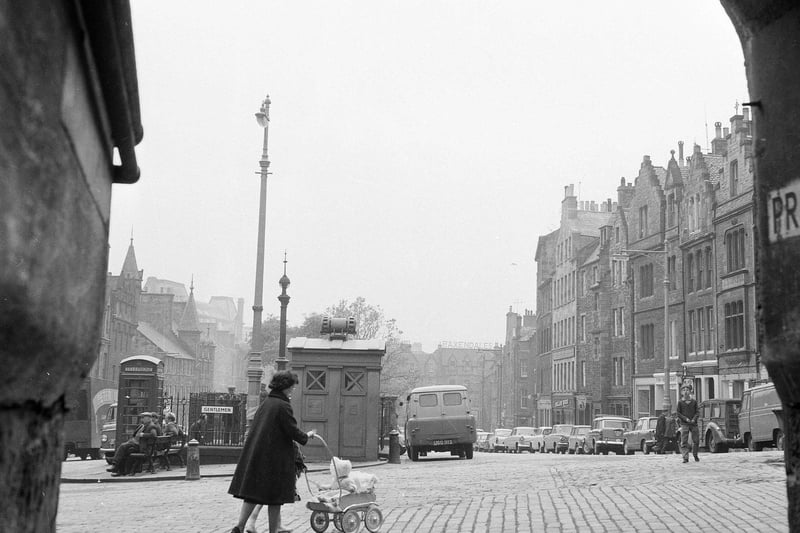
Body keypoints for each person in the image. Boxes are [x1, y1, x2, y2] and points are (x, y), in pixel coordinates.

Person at [228, 371, 316, 533]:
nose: (292, 390)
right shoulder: (283, 406)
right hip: (274, 460)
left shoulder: (267, 402)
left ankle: (239, 526)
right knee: (275, 499)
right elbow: (292, 431)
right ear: (285, 387)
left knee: (253, 495)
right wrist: (307, 435)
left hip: (259, 456)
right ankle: (273, 531)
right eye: (291, 387)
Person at [106, 411, 160, 476]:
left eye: (143, 418)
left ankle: (115, 465)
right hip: (136, 443)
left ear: (149, 418)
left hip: (143, 447)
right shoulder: (144, 425)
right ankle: (120, 470)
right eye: (141, 418)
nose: (141, 419)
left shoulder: (151, 426)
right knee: (125, 451)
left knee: (123, 446)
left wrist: (143, 435)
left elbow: (154, 435)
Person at [676, 385, 700, 463]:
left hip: (693, 424)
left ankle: (695, 454)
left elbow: (697, 412)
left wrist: (694, 419)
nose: (686, 392)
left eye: (687, 390)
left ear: (690, 392)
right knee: (684, 441)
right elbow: (678, 413)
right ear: (682, 392)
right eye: (684, 390)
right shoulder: (680, 402)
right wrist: (685, 418)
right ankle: (685, 457)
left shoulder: (694, 402)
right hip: (684, 424)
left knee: (696, 440)